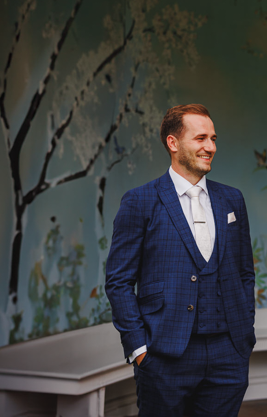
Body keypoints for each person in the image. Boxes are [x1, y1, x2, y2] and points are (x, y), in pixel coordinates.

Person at [106, 104, 256, 417]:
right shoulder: (140, 201)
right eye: (201, 138)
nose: (211, 147)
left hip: (228, 354)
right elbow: (119, 282)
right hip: (164, 355)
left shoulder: (232, 199)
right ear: (173, 144)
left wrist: (243, 338)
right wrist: (139, 349)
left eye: (214, 139)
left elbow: (245, 273)